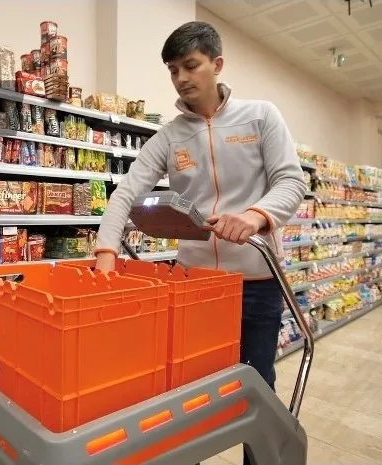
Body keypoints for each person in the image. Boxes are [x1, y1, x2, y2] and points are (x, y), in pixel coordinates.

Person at [93, 21, 306, 465]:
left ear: (217, 64)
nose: (182, 78)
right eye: (173, 70)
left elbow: (290, 181)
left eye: (191, 65)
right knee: (188, 392)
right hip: (197, 287)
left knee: (256, 388)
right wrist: (106, 254)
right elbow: (126, 193)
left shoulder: (261, 116)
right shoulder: (170, 136)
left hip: (256, 282)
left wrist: (254, 217)